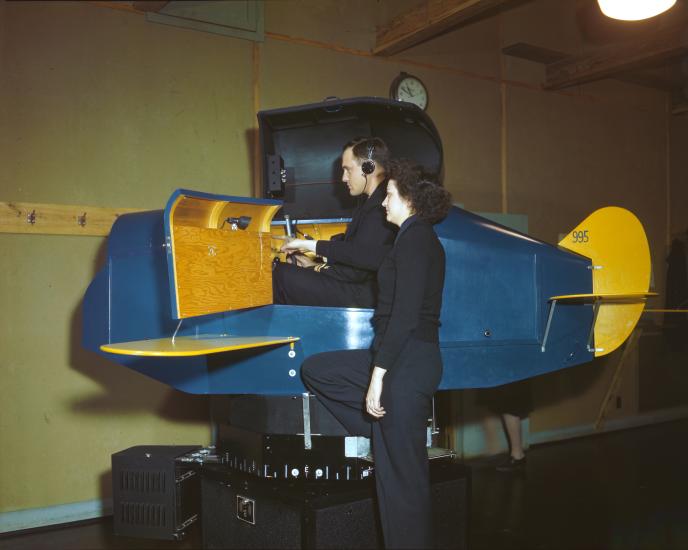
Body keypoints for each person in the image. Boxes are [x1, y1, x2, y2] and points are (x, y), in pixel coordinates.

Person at [301, 164, 452, 549]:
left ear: (409, 199)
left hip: (408, 362)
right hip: (403, 360)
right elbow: (369, 265)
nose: (383, 201)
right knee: (319, 370)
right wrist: (318, 258)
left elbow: (404, 316)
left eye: (389, 195)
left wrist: (379, 375)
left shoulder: (418, 240)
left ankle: (388, 435)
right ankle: (381, 431)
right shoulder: (408, 238)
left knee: (402, 485)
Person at [273, 137, 397, 308]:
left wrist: (315, 264)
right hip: (358, 287)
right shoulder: (370, 203)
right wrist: (315, 265)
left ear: (368, 168)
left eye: (348, 170)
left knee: (281, 275)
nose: (344, 178)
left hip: (364, 295)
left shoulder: (381, 207)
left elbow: (357, 269)